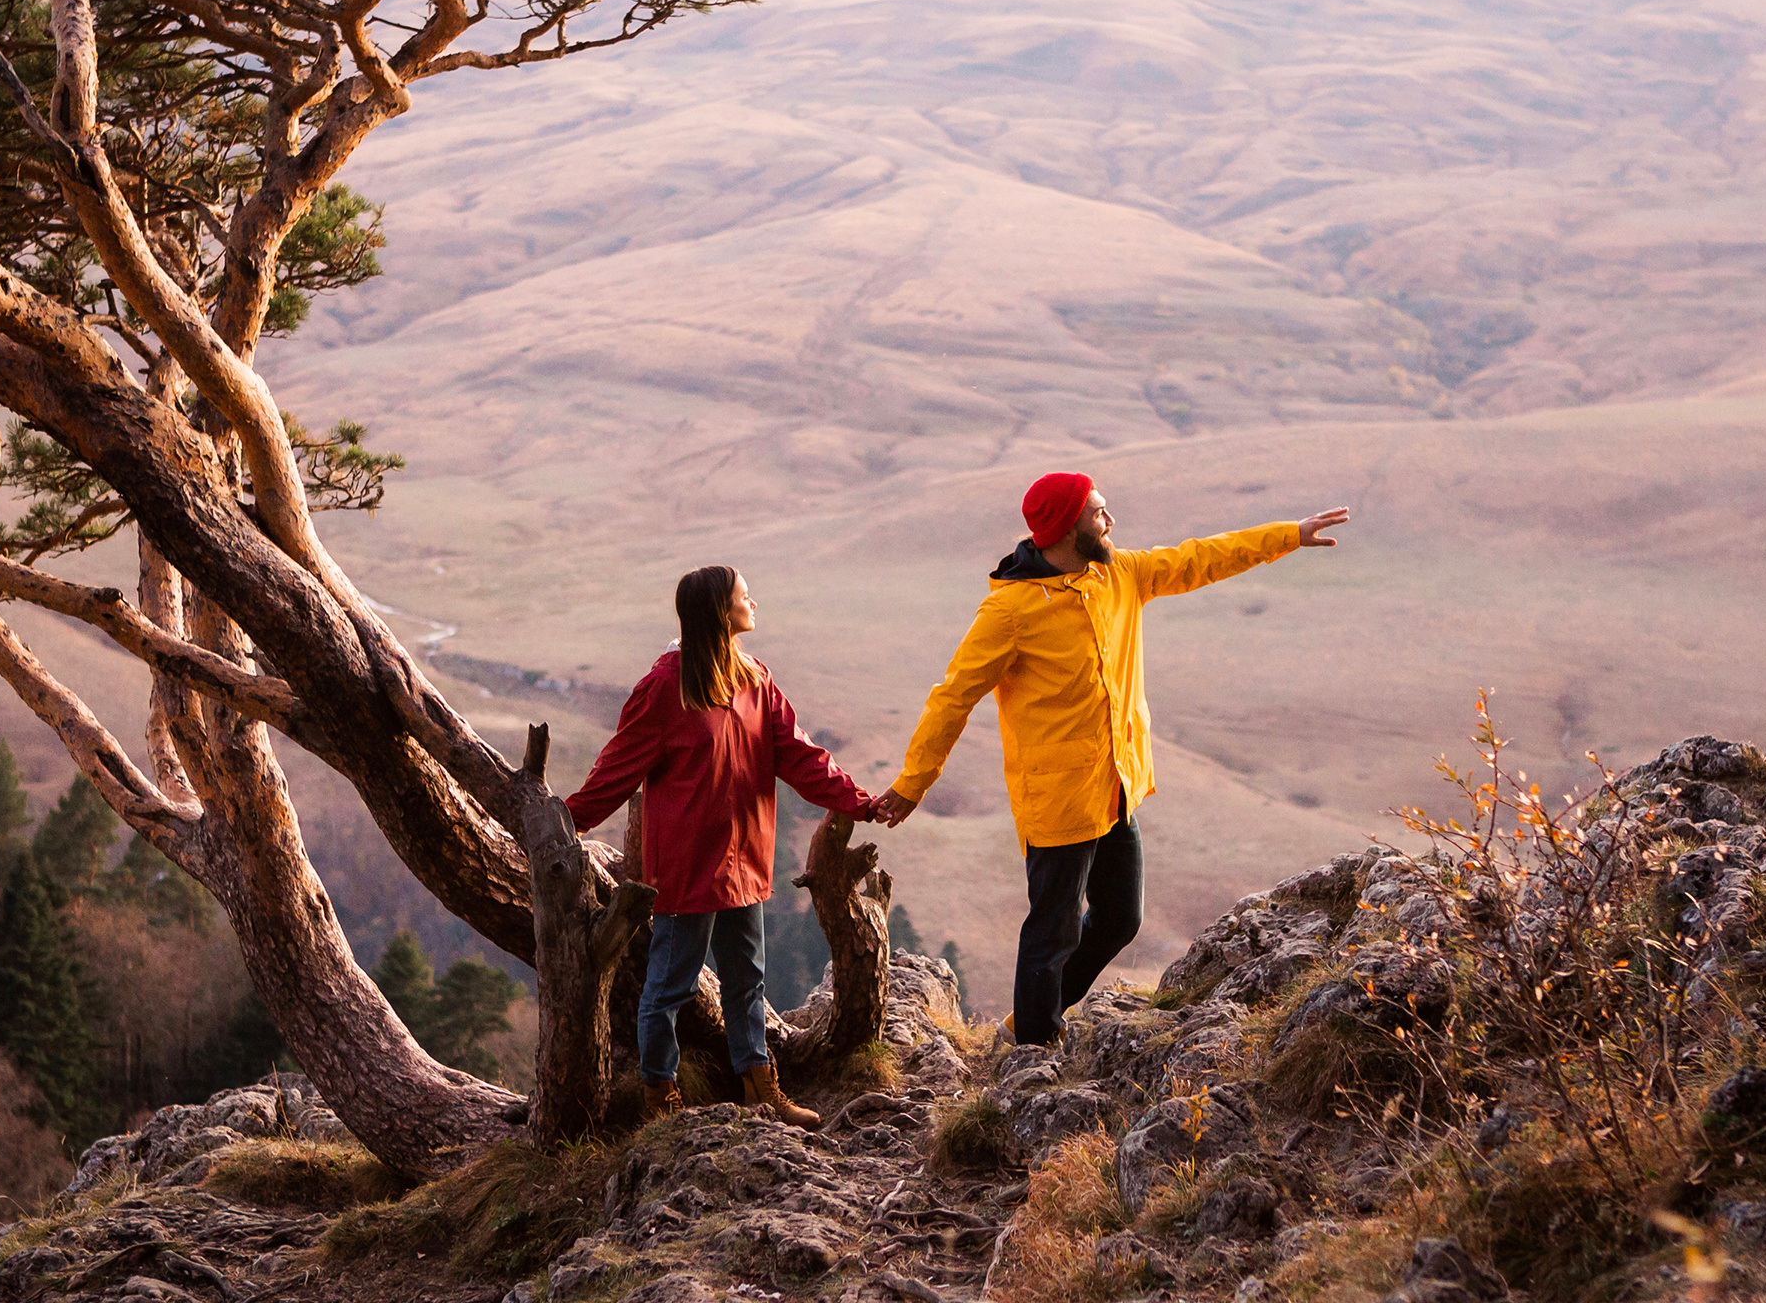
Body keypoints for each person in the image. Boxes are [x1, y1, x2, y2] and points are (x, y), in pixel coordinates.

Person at [874, 474, 1348, 1047]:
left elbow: (1198, 559)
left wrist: (1288, 536)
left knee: (1121, 918)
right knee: (1052, 932)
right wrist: (912, 783)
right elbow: (952, 697)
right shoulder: (1011, 611)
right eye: (1100, 513)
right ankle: (1031, 1052)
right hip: (1057, 799)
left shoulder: (1119, 574)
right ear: (1066, 528)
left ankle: (1026, 1023)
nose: (1111, 522)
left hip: (1114, 786)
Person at [565, 564, 879, 1127]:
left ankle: (761, 1091)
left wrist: (858, 801)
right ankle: (661, 1105)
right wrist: (567, 823)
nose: (753, 601)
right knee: (668, 989)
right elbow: (617, 768)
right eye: (742, 596)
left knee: (747, 982)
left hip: (745, 865)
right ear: (719, 612)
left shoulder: (755, 679)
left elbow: (801, 756)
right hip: (687, 869)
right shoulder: (664, 688)